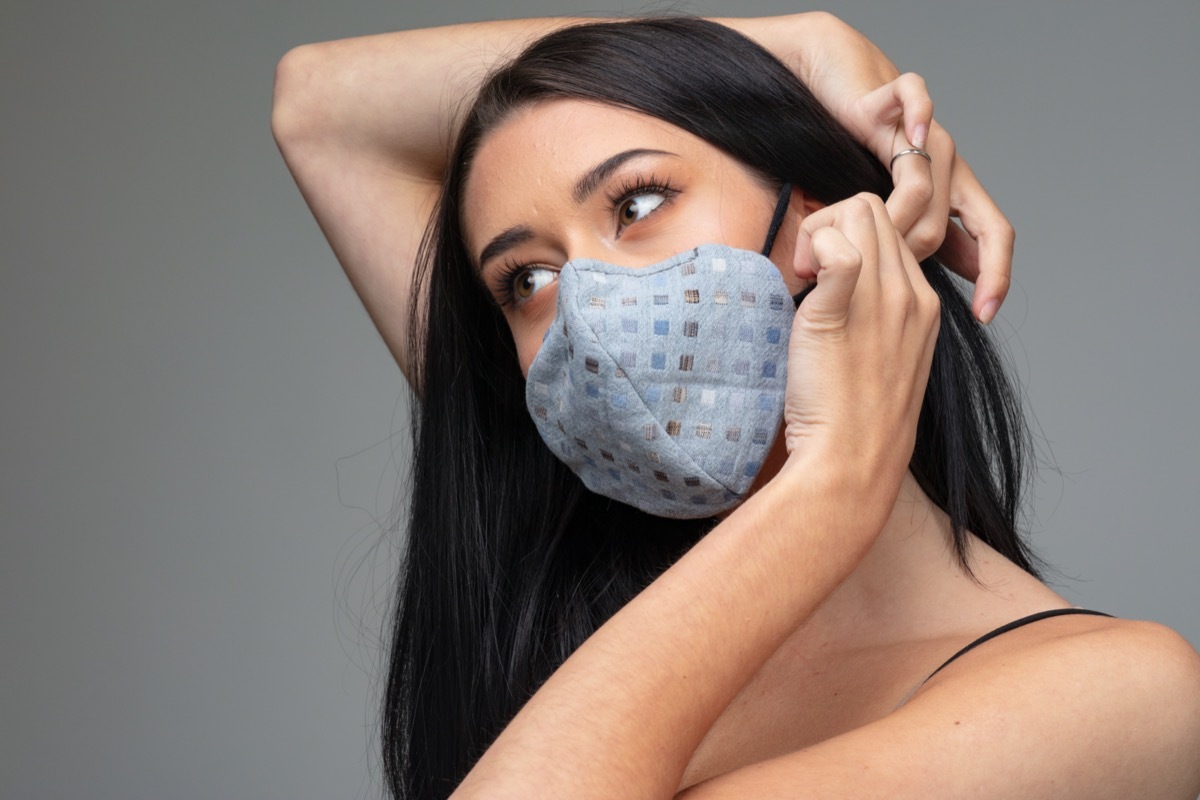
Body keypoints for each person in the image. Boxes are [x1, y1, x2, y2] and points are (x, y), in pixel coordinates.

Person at [272, 13, 1200, 800]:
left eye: (638, 204)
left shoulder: (1118, 700)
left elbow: (324, 109)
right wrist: (800, 42)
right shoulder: (567, 553)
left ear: (827, 214)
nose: (587, 312)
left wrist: (836, 485)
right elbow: (321, 107)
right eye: (528, 278)